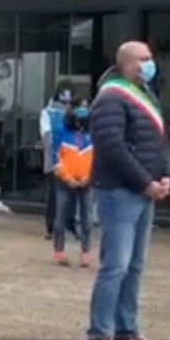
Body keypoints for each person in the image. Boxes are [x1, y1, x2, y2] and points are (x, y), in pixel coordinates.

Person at [83, 42, 170, 340]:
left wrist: (165, 175)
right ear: (126, 63)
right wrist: (144, 181)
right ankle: (98, 337)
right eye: (143, 59)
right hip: (120, 191)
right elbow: (111, 146)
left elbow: (160, 142)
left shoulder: (146, 94)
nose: (150, 63)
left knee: (135, 265)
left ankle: (126, 329)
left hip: (146, 190)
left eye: (151, 58)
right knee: (115, 266)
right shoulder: (111, 97)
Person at [50, 100, 95, 267]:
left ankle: (86, 251)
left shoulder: (91, 133)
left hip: (86, 181)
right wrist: (67, 177)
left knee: (87, 218)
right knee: (61, 215)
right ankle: (59, 251)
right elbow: (55, 157)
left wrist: (89, 177)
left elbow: (97, 159)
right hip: (64, 181)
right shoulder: (61, 131)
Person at [38, 81, 74, 240]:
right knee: (53, 195)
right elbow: (46, 135)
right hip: (54, 160)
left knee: (71, 196)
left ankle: (69, 225)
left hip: (73, 161)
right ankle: (51, 227)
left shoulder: (74, 112)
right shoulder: (48, 112)